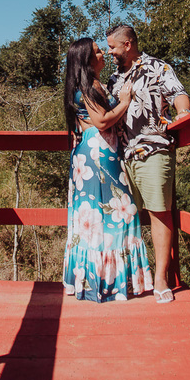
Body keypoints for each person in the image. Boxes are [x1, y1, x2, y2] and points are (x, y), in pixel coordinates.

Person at [61, 37, 154, 302]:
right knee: (116, 214)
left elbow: (98, 119)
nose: (103, 54)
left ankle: (99, 282)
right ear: (87, 61)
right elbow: (102, 121)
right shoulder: (89, 85)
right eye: (98, 51)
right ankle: (107, 283)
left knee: (100, 217)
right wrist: (124, 101)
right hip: (98, 154)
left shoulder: (90, 85)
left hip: (95, 153)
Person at [105, 24, 190, 304]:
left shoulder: (157, 67)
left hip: (153, 149)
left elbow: (178, 92)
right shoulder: (114, 79)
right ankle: (132, 277)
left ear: (127, 44)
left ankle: (161, 279)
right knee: (126, 217)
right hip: (122, 155)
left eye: (112, 48)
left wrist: (183, 112)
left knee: (158, 212)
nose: (109, 53)